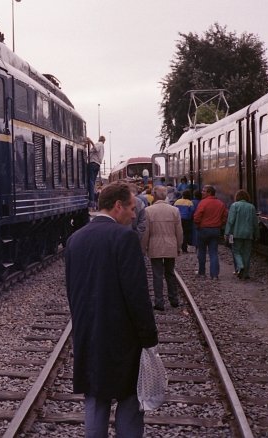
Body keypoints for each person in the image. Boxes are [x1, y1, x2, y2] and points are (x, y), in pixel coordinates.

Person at [65, 182, 159, 438]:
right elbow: (136, 295)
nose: (133, 214)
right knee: (129, 399)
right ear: (117, 206)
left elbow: (72, 292)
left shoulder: (75, 240)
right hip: (123, 339)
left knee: (95, 399)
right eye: (131, 208)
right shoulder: (125, 238)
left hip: (89, 335)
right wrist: (149, 338)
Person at [141, 186, 183, 310]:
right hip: (171, 245)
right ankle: (174, 299)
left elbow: (146, 232)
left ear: (154, 195)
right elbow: (179, 231)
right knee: (170, 273)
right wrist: (179, 246)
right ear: (165, 196)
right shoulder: (174, 210)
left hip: (155, 245)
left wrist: (144, 248)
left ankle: (159, 302)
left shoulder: (148, 210)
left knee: (157, 275)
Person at [193, 185, 227, 279]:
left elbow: (197, 216)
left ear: (209, 192)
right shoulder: (220, 203)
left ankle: (202, 273)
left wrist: (197, 224)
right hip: (215, 230)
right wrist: (220, 224)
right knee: (213, 253)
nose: (202, 192)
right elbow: (224, 216)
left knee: (202, 252)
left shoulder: (203, 203)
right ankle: (214, 275)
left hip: (203, 230)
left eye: (204, 191)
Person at [225, 189, 260, 279]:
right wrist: (257, 234)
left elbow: (230, 221)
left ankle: (240, 266)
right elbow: (255, 223)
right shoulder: (251, 207)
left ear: (237, 197)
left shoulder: (234, 205)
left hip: (236, 233)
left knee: (236, 251)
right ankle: (246, 274)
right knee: (247, 254)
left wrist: (227, 233)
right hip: (248, 234)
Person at [86, 135, 105, 208]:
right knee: (93, 182)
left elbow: (96, 149)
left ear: (100, 139)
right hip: (97, 165)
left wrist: (90, 141)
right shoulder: (103, 147)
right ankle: (92, 199)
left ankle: (91, 200)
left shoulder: (99, 144)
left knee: (90, 181)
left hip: (93, 163)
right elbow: (93, 151)